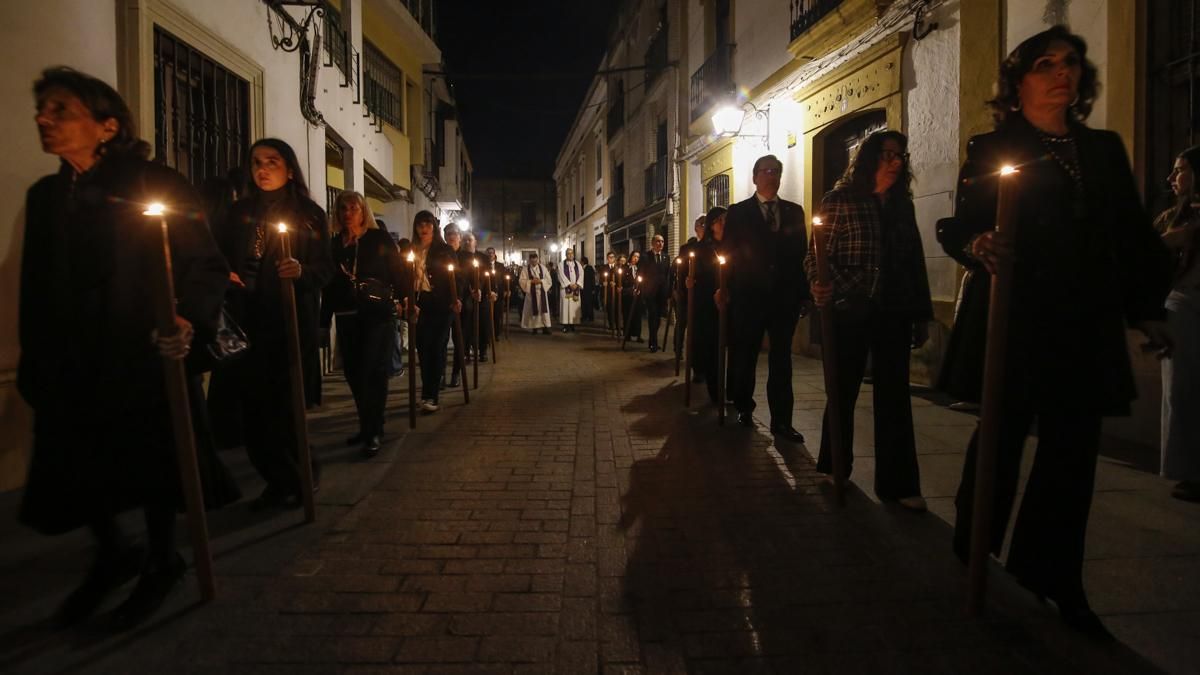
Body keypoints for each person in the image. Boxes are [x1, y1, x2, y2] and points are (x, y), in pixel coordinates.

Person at [938, 25, 1172, 641]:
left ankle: (1055, 575)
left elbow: (1131, 234)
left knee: (1072, 457)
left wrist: (1148, 307)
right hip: (1015, 317)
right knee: (1003, 437)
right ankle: (974, 544)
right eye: (1045, 64)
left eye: (1070, 63)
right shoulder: (993, 146)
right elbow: (957, 224)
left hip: (1083, 321)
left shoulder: (1103, 151)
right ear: (1019, 82)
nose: (1061, 73)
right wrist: (976, 242)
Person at [19, 67, 233, 628]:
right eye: (42, 109)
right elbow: (36, 283)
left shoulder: (151, 184)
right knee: (76, 460)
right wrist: (35, 353)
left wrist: (186, 317)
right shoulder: (45, 196)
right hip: (74, 354)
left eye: (60, 109)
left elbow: (205, 261)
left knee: (154, 458)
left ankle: (162, 559)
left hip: (142, 349)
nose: (44, 118)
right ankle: (113, 549)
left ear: (107, 125)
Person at [806, 130, 932, 511]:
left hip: (893, 308)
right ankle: (835, 464)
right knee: (842, 388)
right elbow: (815, 254)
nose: (895, 162)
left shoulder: (900, 205)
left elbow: (914, 262)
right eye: (887, 155)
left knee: (894, 395)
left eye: (900, 156)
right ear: (868, 159)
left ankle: (898, 483)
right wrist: (820, 284)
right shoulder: (840, 200)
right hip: (849, 306)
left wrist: (921, 313)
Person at [215, 137, 332, 511]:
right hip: (245, 322)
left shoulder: (309, 214)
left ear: (289, 168)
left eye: (272, 161)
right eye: (256, 163)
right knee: (252, 414)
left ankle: (300, 474)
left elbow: (324, 268)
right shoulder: (239, 213)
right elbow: (218, 255)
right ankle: (281, 478)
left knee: (283, 411)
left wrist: (301, 271)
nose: (262, 169)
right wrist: (225, 276)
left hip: (286, 322)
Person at [722, 154, 810, 442]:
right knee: (746, 355)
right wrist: (726, 288)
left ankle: (782, 421)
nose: (771, 175)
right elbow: (730, 254)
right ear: (755, 176)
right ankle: (744, 406)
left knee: (782, 359)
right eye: (766, 171)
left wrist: (804, 293)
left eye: (776, 171)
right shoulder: (738, 212)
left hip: (784, 299)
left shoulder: (794, 212)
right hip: (749, 297)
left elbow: (802, 255)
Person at [322, 191, 406, 457]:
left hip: (377, 315)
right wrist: (323, 322)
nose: (348, 213)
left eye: (353, 208)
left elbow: (398, 272)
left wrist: (405, 301)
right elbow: (329, 285)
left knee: (373, 372)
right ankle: (366, 425)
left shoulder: (378, 238)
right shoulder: (335, 245)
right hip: (347, 316)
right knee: (354, 374)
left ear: (363, 211)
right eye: (343, 208)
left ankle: (373, 430)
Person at [1155, 147, 1200, 502]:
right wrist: (1168, 243)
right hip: (1183, 304)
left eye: (1180, 170)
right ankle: (1187, 469)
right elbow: (1143, 255)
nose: (1172, 178)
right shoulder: (1172, 217)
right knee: (1181, 390)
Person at [412, 211, 459, 412]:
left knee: (436, 347)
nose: (424, 228)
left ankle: (432, 395)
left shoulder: (444, 250)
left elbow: (458, 277)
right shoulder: (412, 251)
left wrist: (456, 298)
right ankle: (427, 391)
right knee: (422, 348)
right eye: (420, 224)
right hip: (420, 303)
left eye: (428, 224)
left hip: (442, 304)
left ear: (434, 227)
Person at [689, 208, 727, 404]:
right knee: (713, 348)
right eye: (719, 220)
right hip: (708, 304)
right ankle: (716, 390)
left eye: (725, 219)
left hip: (730, 302)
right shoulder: (703, 249)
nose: (723, 223)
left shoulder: (731, 244)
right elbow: (698, 277)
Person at [677, 215, 707, 380]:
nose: (705, 226)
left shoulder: (716, 245)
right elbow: (681, 273)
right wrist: (681, 290)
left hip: (712, 297)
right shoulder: (688, 249)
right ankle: (697, 368)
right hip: (694, 297)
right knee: (696, 335)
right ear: (696, 228)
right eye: (702, 224)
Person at [641, 234, 672, 352]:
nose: (660, 244)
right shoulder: (646, 257)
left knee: (658, 318)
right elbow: (642, 273)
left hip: (661, 293)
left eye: (662, 241)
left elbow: (667, 275)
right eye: (658, 241)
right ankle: (653, 342)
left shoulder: (666, 257)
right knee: (652, 316)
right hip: (650, 292)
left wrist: (668, 291)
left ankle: (653, 340)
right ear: (653, 243)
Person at [519, 252, 553, 334]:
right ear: (530, 260)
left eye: (535, 261)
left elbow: (549, 280)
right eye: (532, 261)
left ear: (537, 259)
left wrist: (541, 281)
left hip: (542, 294)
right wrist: (531, 281)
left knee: (543, 311)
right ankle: (534, 328)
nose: (534, 263)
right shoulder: (525, 269)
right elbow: (521, 281)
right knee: (532, 311)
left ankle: (545, 327)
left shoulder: (543, 268)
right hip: (531, 294)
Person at [557, 248, 585, 332]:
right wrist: (569, 284)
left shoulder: (578, 264)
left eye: (571, 253)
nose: (570, 255)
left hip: (576, 288)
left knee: (573, 307)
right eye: (568, 253)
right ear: (566, 255)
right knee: (565, 307)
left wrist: (577, 284)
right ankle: (565, 325)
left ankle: (573, 325)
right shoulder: (561, 264)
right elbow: (561, 275)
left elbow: (581, 274)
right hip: (565, 289)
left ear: (573, 254)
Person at [624, 250, 644, 342]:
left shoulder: (640, 268)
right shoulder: (625, 268)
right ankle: (627, 334)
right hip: (628, 295)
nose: (636, 258)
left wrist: (639, 289)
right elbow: (622, 281)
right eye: (635, 256)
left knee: (637, 315)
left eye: (638, 257)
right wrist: (630, 290)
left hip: (638, 295)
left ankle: (638, 334)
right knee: (628, 314)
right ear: (631, 256)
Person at [582, 255, 597, 323]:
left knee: (589, 303)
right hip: (583, 289)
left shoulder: (589, 268)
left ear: (583, 262)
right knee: (584, 303)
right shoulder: (581, 268)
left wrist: (593, 289)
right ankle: (585, 316)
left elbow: (592, 279)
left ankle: (590, 317)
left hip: (588, 289)